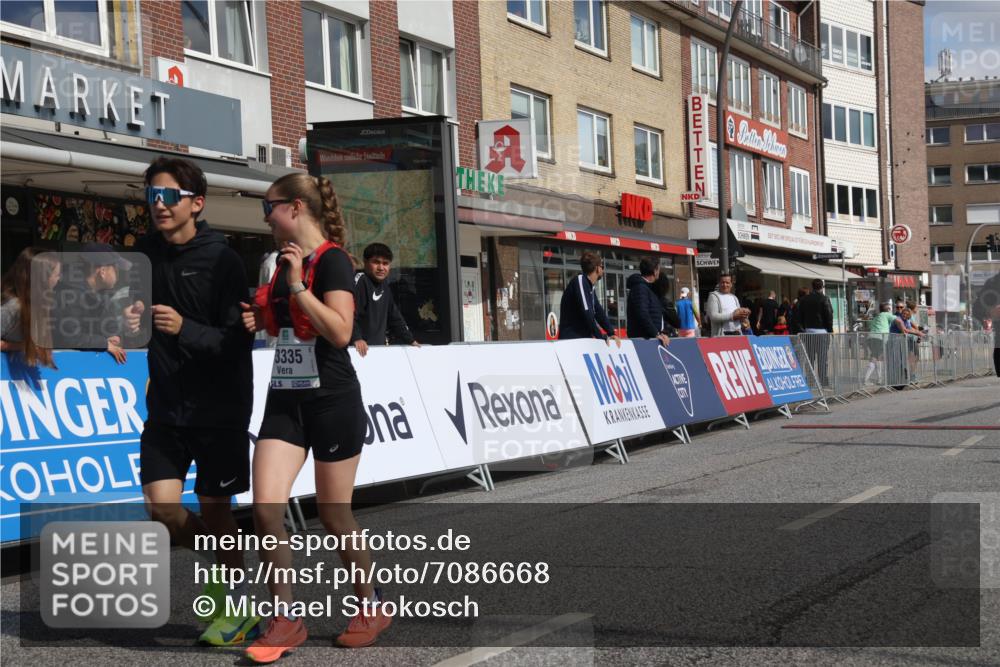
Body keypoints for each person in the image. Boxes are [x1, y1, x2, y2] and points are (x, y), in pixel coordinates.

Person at [240, 173, 391, 661]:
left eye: (269, 207)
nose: (265, 217)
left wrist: (296, 287)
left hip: (332, 399)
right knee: (265, 507)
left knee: (333, 514)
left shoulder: (333, 262)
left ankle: (370, 604)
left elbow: (341, 332)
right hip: (286, 398)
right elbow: (281, 326)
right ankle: (284, 619)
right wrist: (260, 316)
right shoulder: (279, 261)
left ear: (296, 207)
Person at [126, 157, 258, 647]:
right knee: (161, 508)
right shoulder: (144, 253)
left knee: (216, 510)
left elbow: (237, 340)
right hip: (166, 404)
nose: (158, 205)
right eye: (152, 196)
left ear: (196, 203)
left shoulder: (223, 259)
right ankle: (228, 572)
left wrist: (185, 328)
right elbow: (132, 318)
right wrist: (130, 318)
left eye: (168, 196)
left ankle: (236, 604)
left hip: (218, 405)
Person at [52, 243, 131, 363]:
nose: (118, 273)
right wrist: (104, 343)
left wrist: (115, 337)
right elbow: (69, 337)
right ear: (102, 272)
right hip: (63, 365)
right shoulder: (69, 295)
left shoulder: (102, 294)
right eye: (115, 268)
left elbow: (110, 325)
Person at [351, 242, 418, 357]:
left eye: (385, 263)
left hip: (378, 351)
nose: (381, 268)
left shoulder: (385, 287)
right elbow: (349, 314)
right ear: (365, 262)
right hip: (358, 352)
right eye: (376, 262)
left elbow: (395, 318)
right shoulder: (361, 281)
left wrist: (411, 340)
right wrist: (356, 338)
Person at [1, 247, 61, 368]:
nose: (59, 279)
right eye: (57, 274)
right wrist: (22, 346)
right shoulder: (13, 307)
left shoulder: (40, 302)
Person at [558, 250, 620, 345]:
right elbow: (587, 313)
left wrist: (611, 333)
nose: (603, 270)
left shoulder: (590, 286)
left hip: (583, 339)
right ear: (597, 268)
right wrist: (600, 336)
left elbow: (598, 311)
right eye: (602, 267)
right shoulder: (580, 281)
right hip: (572, 340)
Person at [795, 279, 834, 386]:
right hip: (822, 332)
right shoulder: (824, 299)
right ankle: (823, 380)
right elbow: (829, 315)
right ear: (822, 286)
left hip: (808, 331)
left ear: (812, 286)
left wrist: (803, 329)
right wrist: (830, 330)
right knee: (822, 358)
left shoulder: (804, 299)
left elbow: (799, 316)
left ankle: (810, 380)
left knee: (810, 357)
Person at [626, 258, 671, 346]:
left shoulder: (648, 288)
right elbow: (642, 313)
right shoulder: (640, 288)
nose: (659, 272)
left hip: (651, 338)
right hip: (643, 340)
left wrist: (660, 333)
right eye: (658, 269)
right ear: (655, 271)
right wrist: (655, 333)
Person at [863, 302, 896, 385]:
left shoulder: (876, 317)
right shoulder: (886, 314)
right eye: (889, 308)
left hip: (870, 338)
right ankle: (867, 380)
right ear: (888, 309)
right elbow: (898, 320)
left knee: (875, 356)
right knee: (876, 357)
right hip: (880, 338)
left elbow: (870, 327)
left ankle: (879, 379)